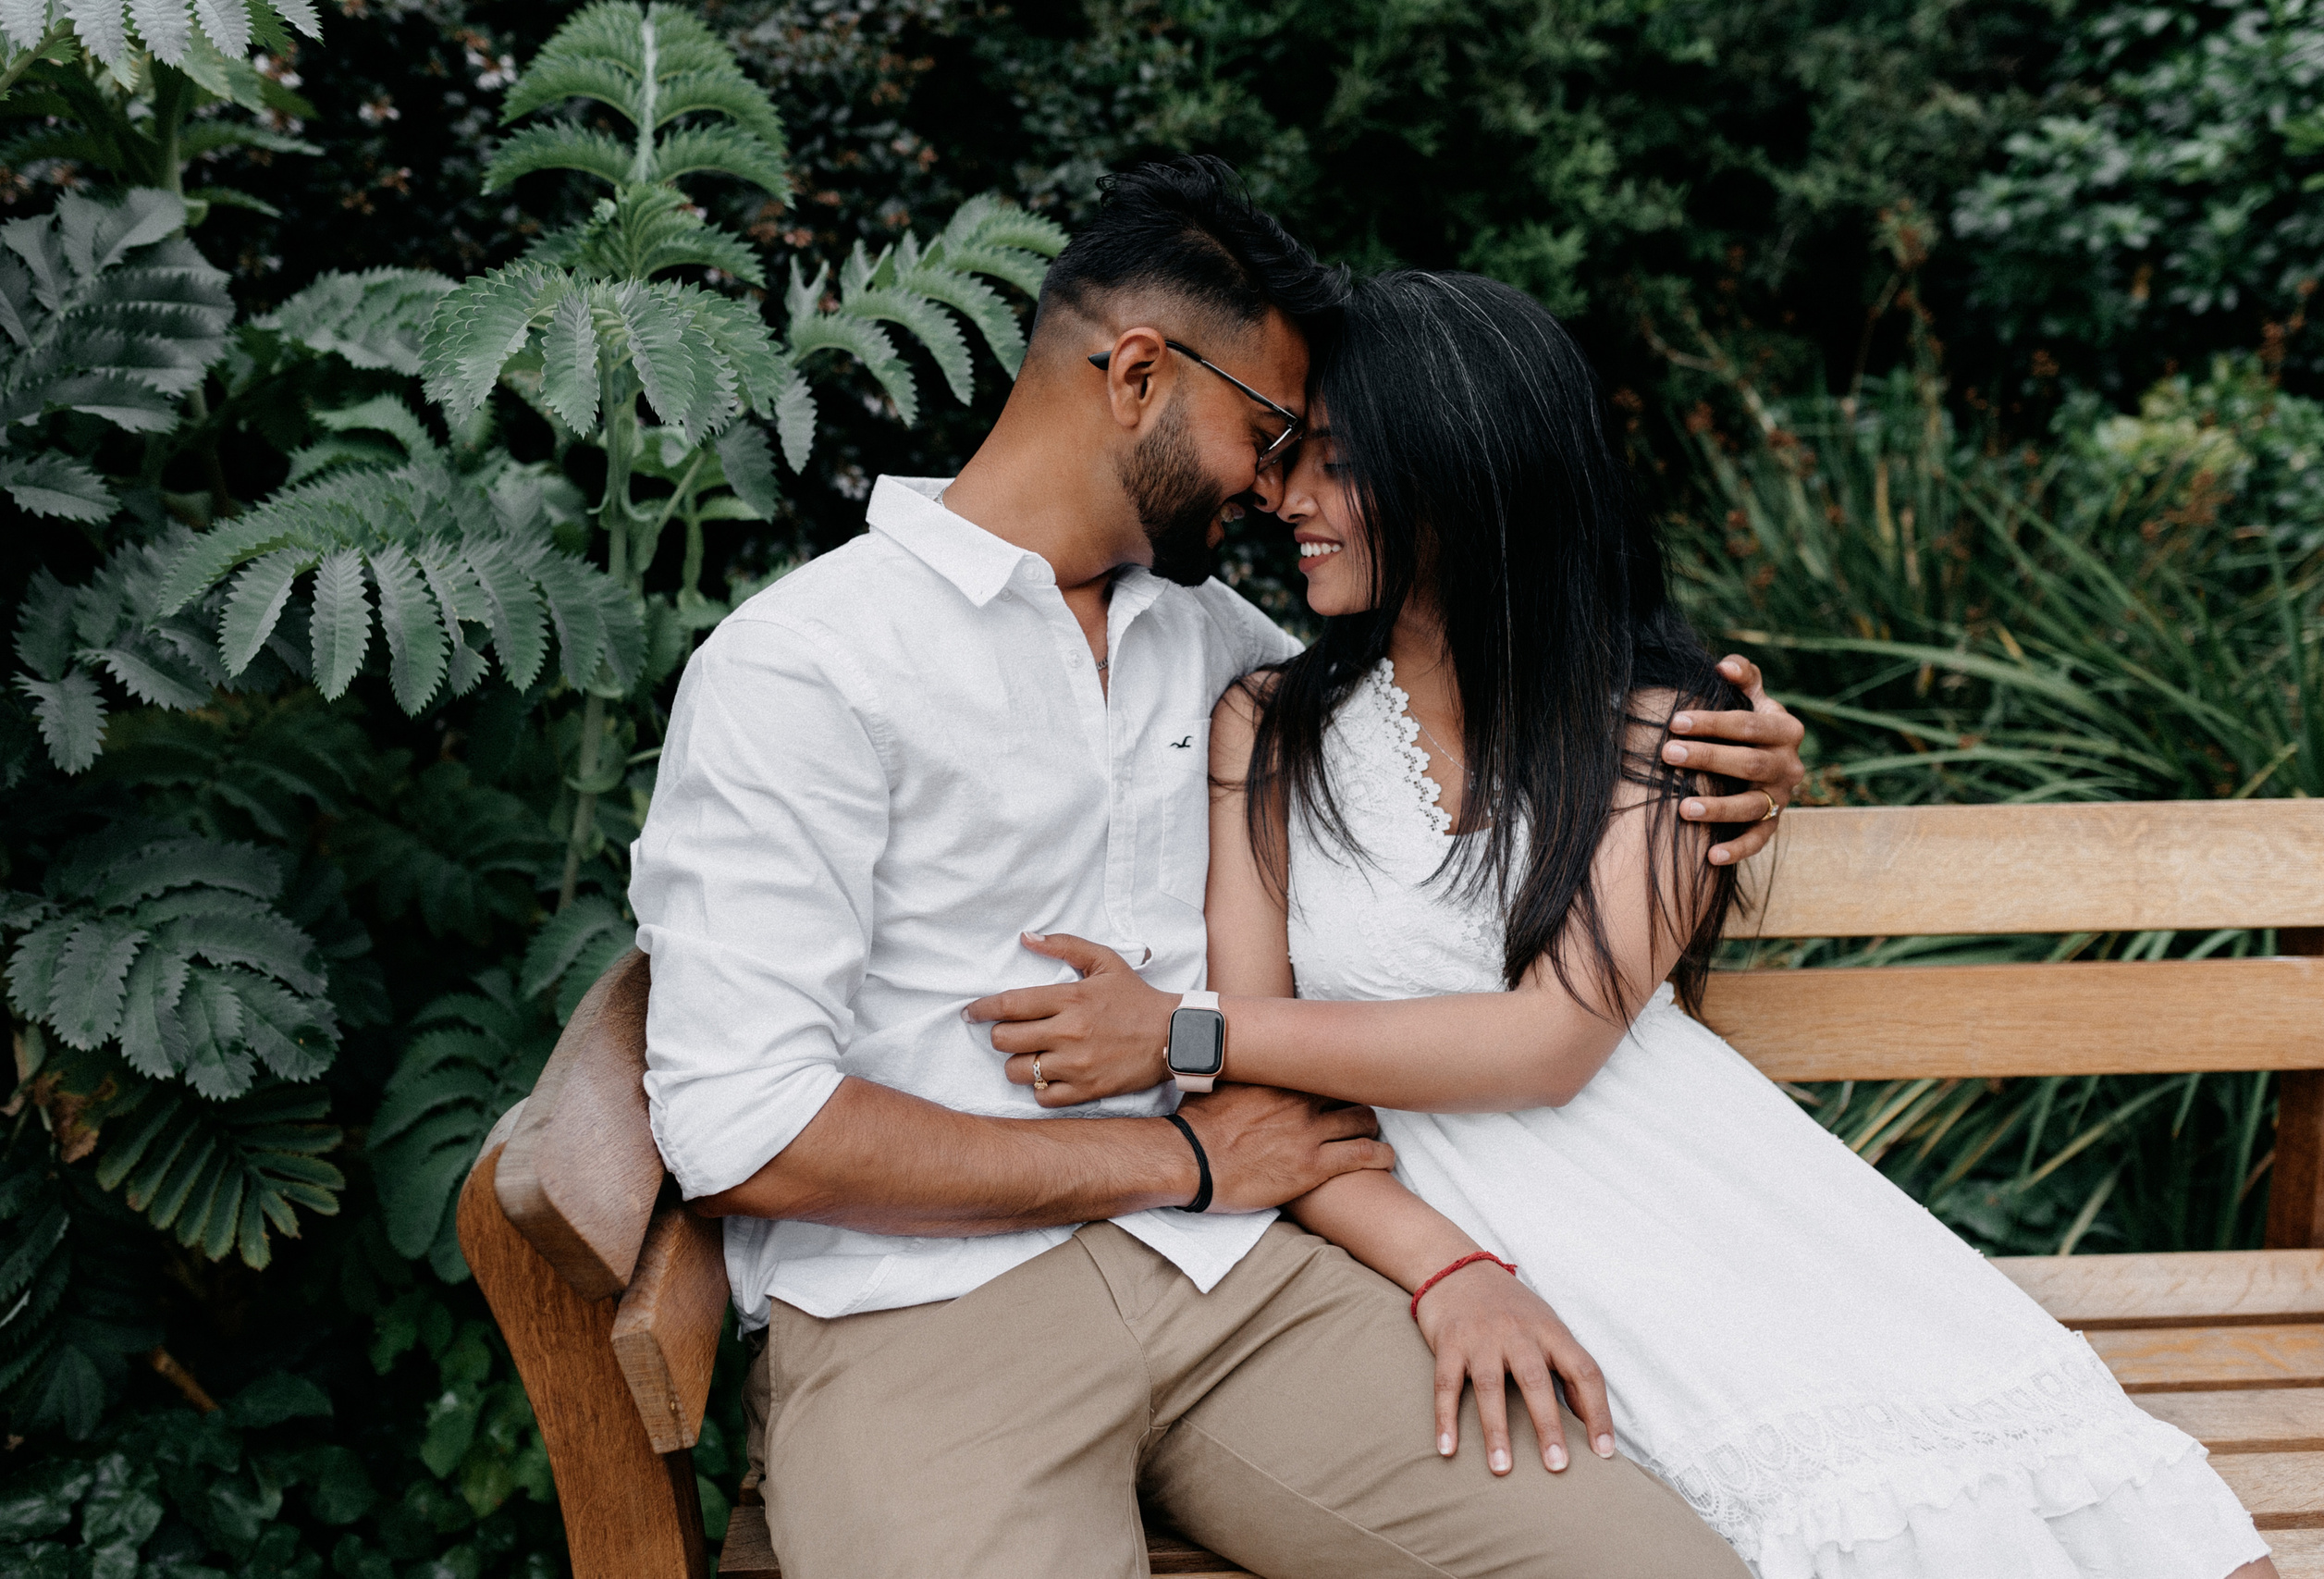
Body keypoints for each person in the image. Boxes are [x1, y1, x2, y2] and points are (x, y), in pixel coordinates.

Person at [965, 270, 2275, 1579]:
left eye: (1338, 467)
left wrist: (1180, 1031)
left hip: (1714, 1202)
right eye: (1290, 457)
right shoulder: (1269, 725)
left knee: (2098, 1527)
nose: (1287, 499)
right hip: (1455, 1222)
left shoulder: (1667, 726)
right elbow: (1266, 1090)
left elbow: (1552, 1045)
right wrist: (1447, 1264)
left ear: (1469, 477)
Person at [630, 158, 1809, 1578]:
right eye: (1265, 429)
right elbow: (741, 1126)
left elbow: (1486, 689)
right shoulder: (806, 667)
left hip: (1253, 1285)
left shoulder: (1223, 653)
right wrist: (1178, 1157)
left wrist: (1735, 745)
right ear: (1135, 373)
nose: (1276, 482)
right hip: (924, 1314)